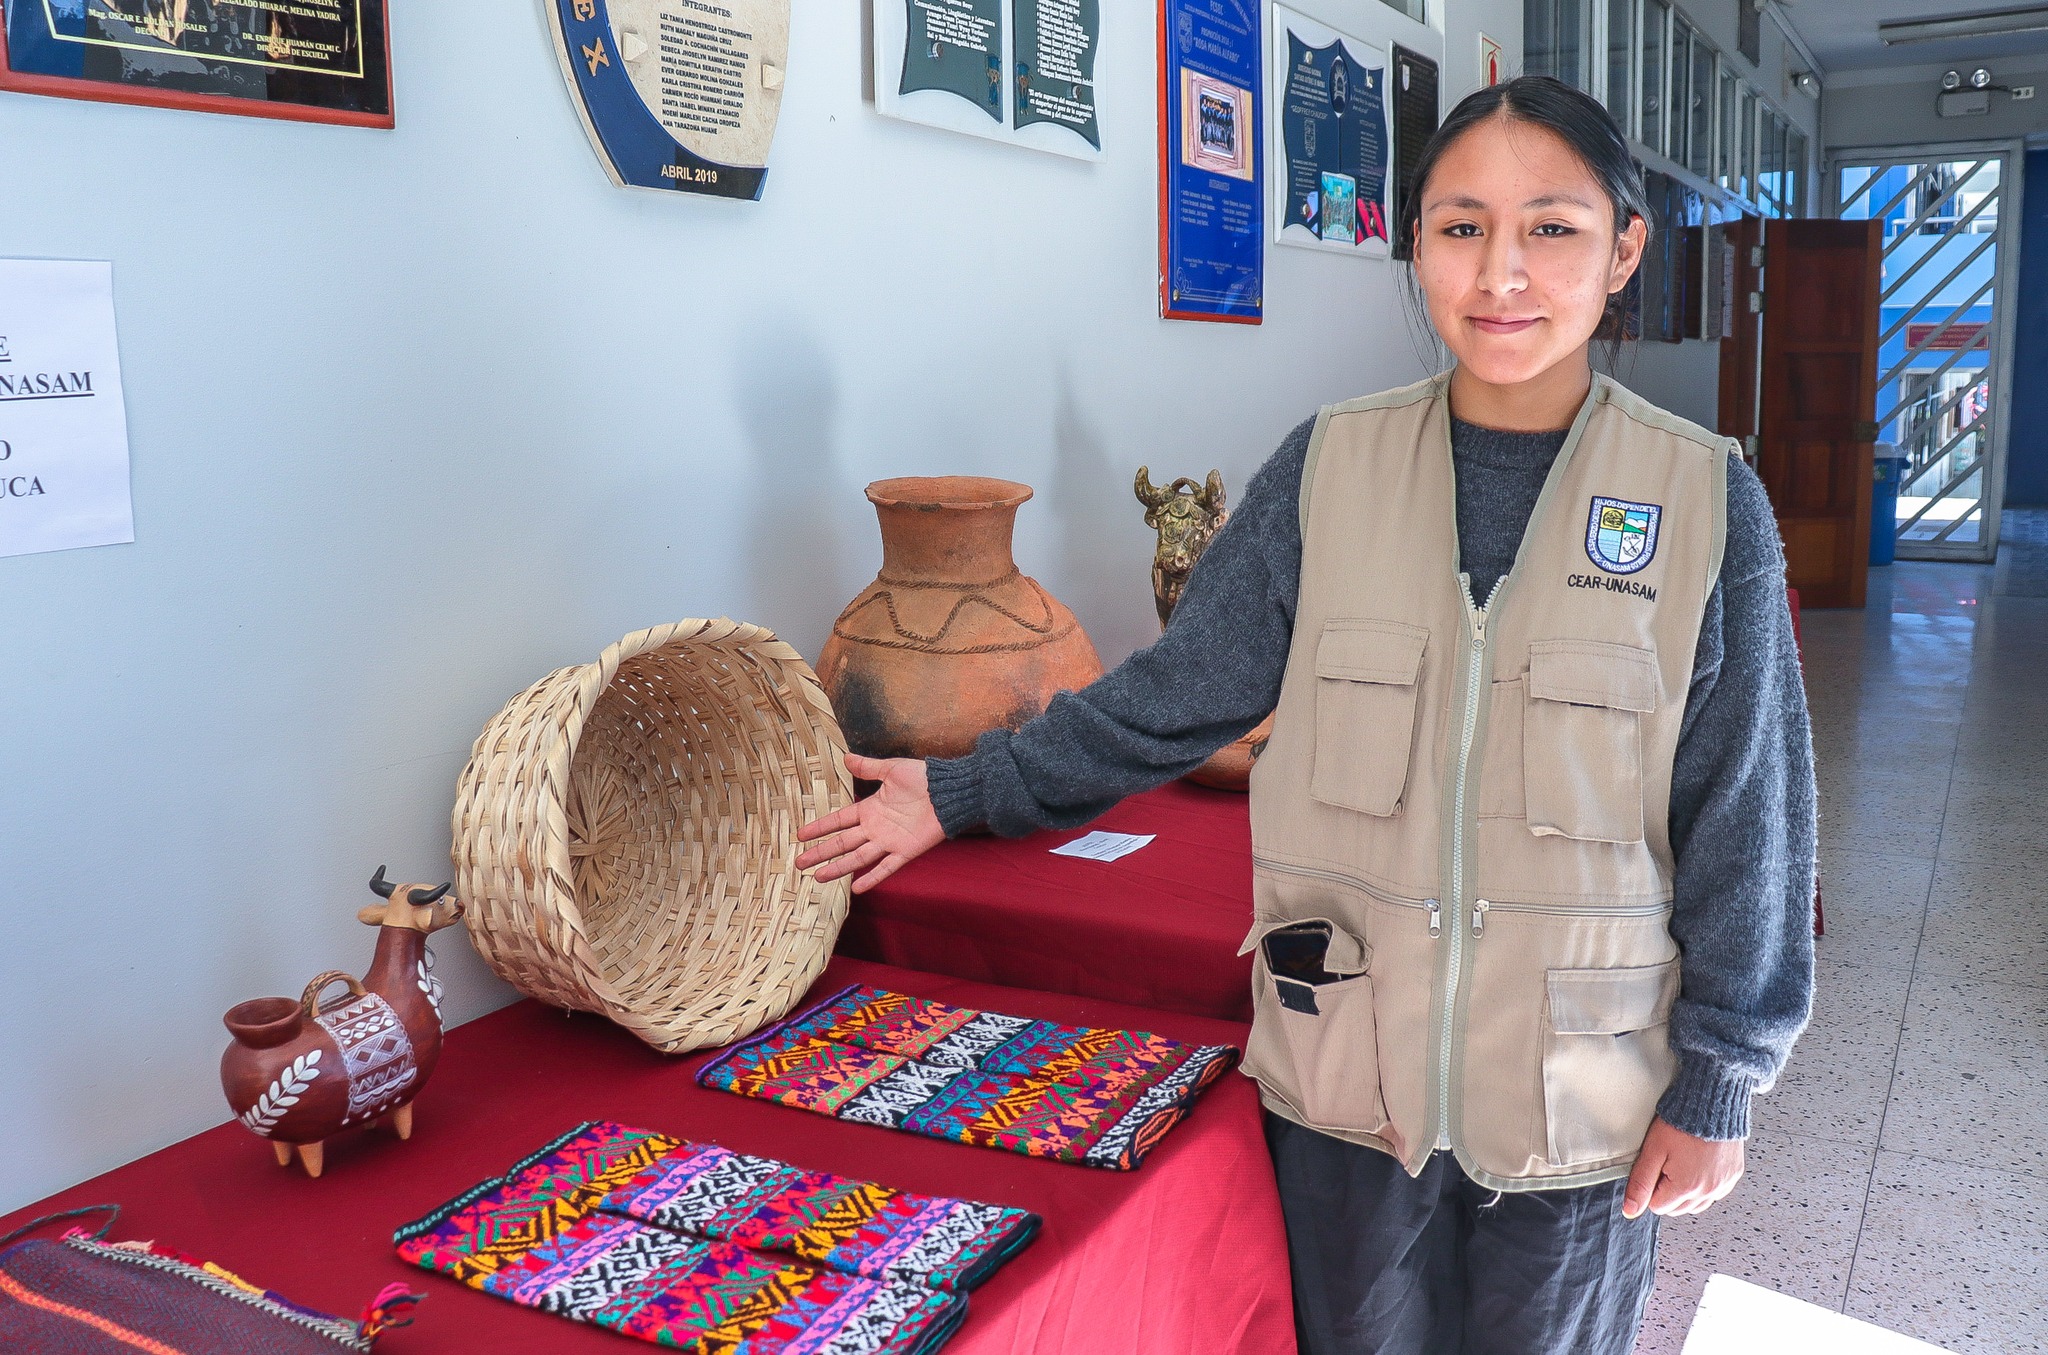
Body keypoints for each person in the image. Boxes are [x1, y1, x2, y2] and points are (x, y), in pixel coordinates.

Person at [796, 75, 1815, 1355]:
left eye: (1550, 227)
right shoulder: (1328, 468)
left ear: (1622, 249)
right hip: (1345, 1086)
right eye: (1458, 227)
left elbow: (1749, 816)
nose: (1501, 271)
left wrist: (1720, 1078)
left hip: (1576, 1105)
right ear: (1415, 247)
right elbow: (1170, 699)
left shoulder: (1705, 503)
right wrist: (955, 791)